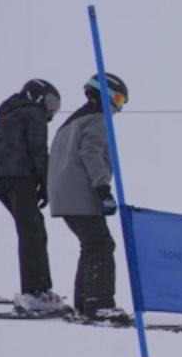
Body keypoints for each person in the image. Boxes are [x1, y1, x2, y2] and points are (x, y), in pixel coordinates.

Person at [48, 73, 129, 322]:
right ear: (103, 94)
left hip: (63, 196)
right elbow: (91, 153)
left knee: (92, 245)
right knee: (101, 245)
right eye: (117, 98)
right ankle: (99, 304)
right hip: (81, 194)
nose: (118, 107)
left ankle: (85, 303)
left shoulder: (70, 123)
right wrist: (103, 188)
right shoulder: (97, 118)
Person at [0, 79, 66, 314]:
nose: (51, 111)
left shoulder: (4, 117)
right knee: (33, 230)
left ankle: (37, 288)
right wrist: (46, 183)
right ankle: (35, 290)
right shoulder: (33, 113)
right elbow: (38, 150)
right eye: (50, 103)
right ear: (36, 96)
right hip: (20, 175)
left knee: (30, 226)